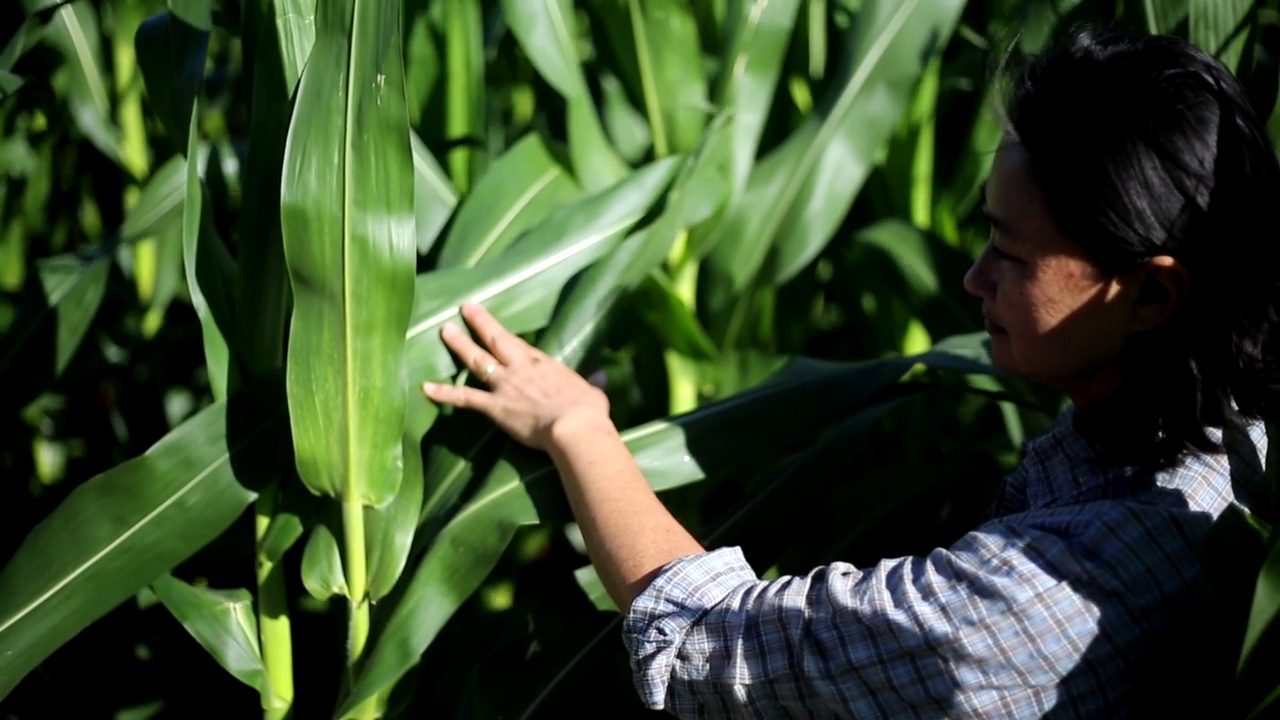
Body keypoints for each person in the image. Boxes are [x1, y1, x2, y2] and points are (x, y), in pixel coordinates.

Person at [420, 26, 1279, 718]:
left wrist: (579, 429)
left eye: (1011, 256)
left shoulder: (1060, 594)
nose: (974, 278)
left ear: (1153, 294)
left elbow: (710, 646)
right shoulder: (1212, 441)